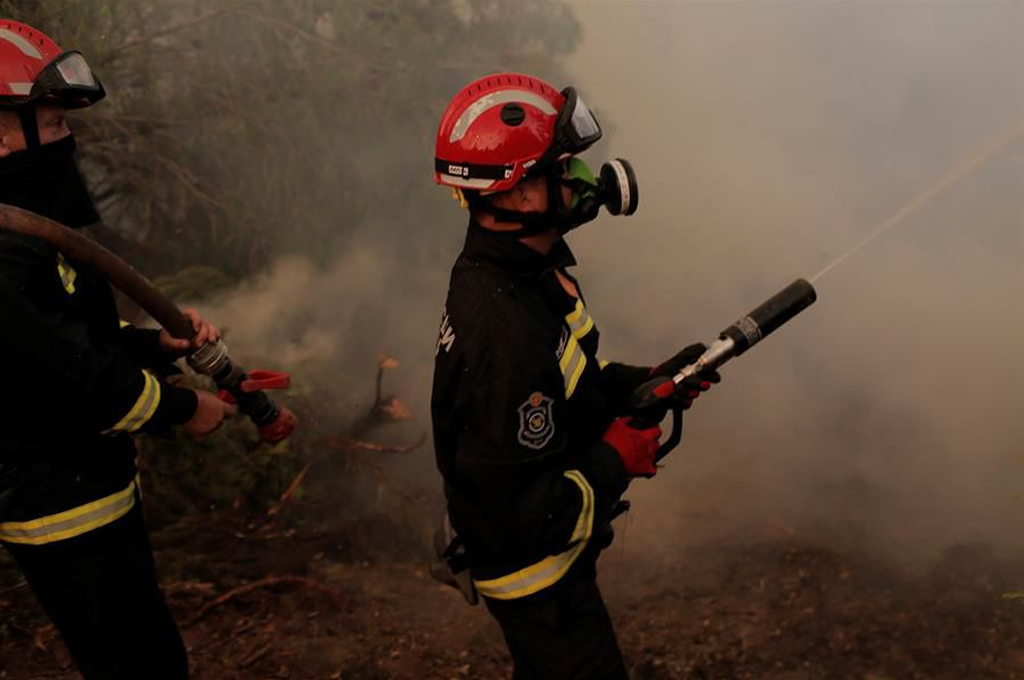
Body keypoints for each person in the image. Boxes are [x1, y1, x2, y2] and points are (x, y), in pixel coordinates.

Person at [430, 72, 722, 679]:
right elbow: (523, 515)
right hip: (537, 580)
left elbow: (565, 383)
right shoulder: (502, 332)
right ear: (518, 195)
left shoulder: (522, 272)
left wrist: (648, 381)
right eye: (561, 169)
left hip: (548, 568)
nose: (583, 179)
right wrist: (617, 456)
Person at [0, 20, 234, 679]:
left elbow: (72, 335)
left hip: (91, 488)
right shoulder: (3, 250)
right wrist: (183, 409)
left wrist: (157, 344)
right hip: (58, 508)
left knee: (151, 653)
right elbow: (67, 371)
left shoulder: (28, 233)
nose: (66, 140)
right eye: (52, 125)